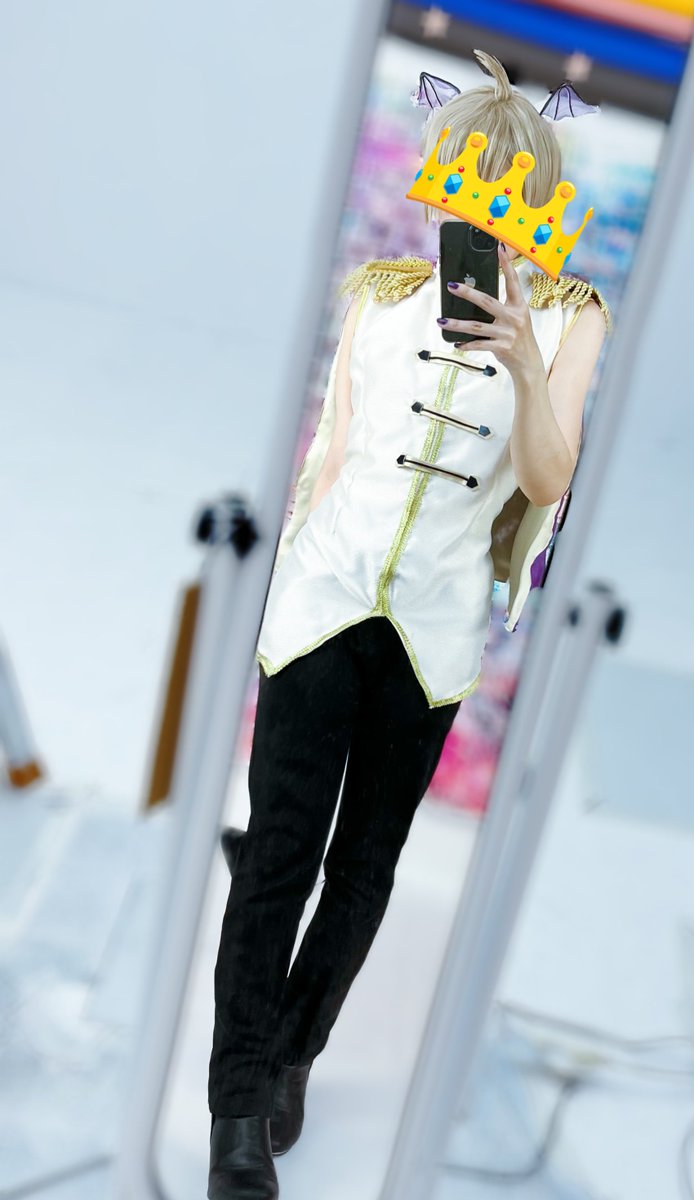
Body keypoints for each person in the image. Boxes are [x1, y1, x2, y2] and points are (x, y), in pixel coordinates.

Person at [207, 50, 609, 1200]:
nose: (469, 210)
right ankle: (237, 1113)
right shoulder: (380, 296)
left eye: (496, 189)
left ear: (533, 199)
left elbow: (548, 478)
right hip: (321, 602)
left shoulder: (571, 320)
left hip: (430, 632)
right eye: (457, 181)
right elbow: (332, 452)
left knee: (362, 866)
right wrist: (281, 578)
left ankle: (294, 1051)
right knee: (278, 854)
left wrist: (524, 367)